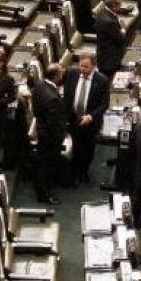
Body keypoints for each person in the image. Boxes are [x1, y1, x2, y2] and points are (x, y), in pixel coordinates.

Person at [63, 54, 109, 184]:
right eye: (81, 65)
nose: (82, 69)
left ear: (93, 66)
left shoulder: (102, 80)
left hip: (90, 122)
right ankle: (74, 172)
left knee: (88, 148)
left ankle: (84, 172)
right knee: (75, 145)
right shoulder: (71, 73)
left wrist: (90, 116)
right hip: (73, 119)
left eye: (86, 67)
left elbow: (104, 104)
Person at [30, 62, 68, 203]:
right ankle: (44, 195)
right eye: (61, 73)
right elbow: (54, 125)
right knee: (47, 165)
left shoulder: (39, 85)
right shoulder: (53, 98)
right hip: (50, 138)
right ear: (57, 76)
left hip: (41, 129)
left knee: (42, 163)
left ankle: (41, 188)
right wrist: (61, 137)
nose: (62, 75)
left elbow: (35, 110)